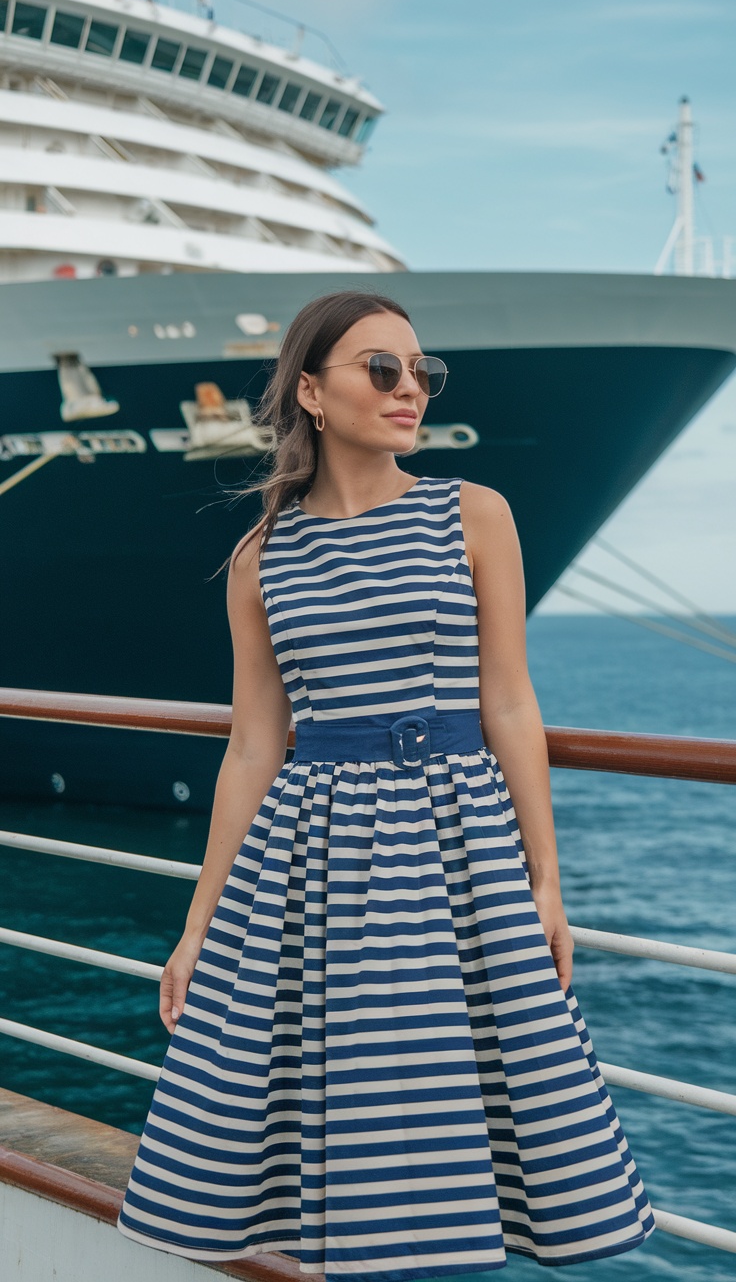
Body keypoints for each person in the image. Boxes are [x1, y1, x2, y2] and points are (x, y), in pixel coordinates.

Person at [117, 290, 655, 1275]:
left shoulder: (473, 513)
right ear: (313, 392)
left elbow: (509, 704)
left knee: (486, 1098)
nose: (409, 388)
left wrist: (546, 877)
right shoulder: (261, 554)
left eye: (421, 372)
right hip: (311, 850)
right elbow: (251, 746)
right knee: (335, 1101)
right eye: (382, 369)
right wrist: (197, 925)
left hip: (458, 841)